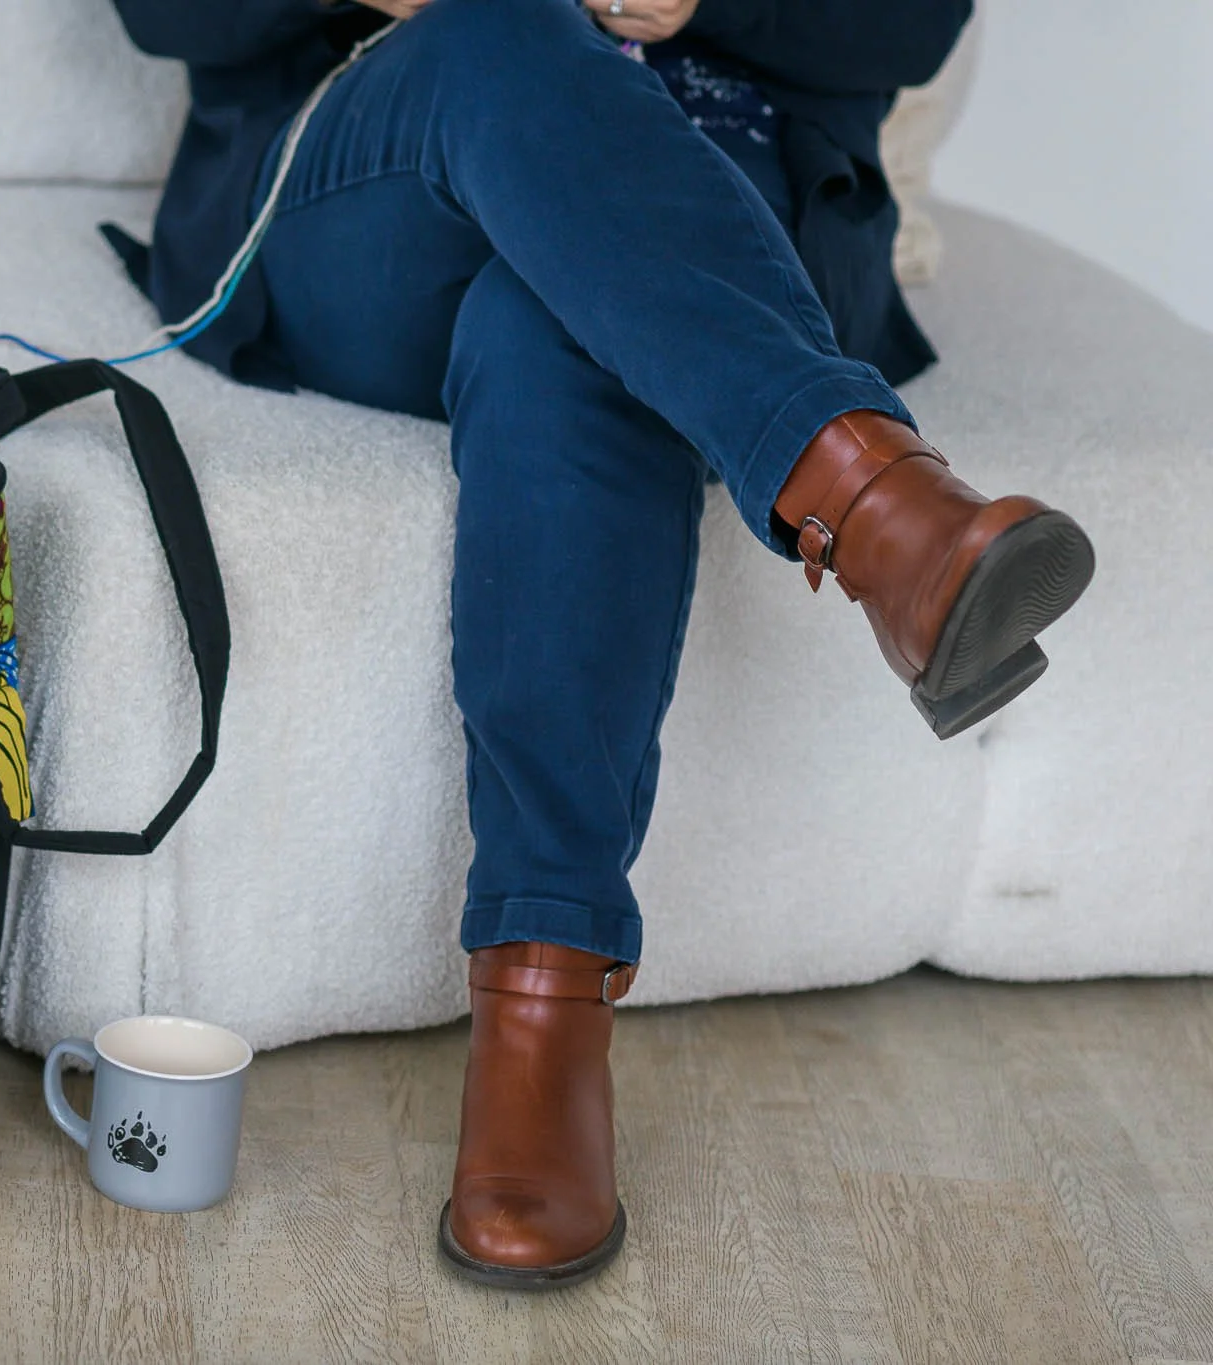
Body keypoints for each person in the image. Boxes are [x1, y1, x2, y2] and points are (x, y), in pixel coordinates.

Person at [105, 0, 1095, 1290]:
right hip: (391, 168)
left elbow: (903, 28)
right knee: (498, 33)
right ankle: (880, 511)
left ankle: (543, 999)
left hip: (732, 192)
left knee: (567, 326)